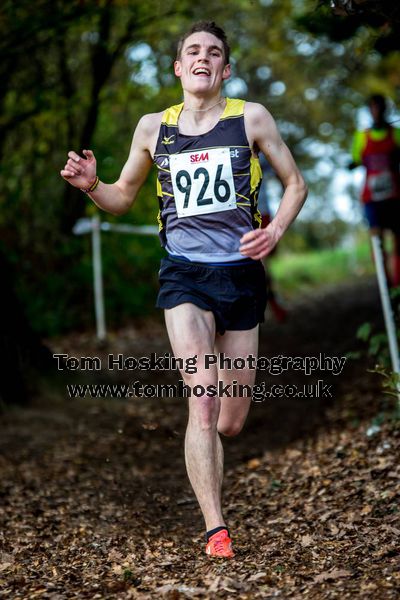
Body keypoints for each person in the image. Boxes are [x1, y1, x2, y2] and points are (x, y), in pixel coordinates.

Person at [60, 21, 307, 558]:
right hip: (184, 275)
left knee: (232, 420)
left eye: (213, 52)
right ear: (178, 68)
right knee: (203, 401)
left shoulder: (251, 118)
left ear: (225, 69)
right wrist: (92, 187)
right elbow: (122, 195)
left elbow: (296, 183)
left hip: (240, 277)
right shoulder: (153, 127)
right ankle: (216, 529)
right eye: (192, 51)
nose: (202, 58)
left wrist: (276, 231)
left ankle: (218, 459)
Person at [350, 94, 400, 286]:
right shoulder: (361, 136)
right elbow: (355, 159)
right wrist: (352, 164)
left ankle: (397, 282)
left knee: (397, 240)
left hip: (395, 196)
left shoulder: (396, 133)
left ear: (386, 108)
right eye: (372, 107)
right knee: (377, 240)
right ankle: (385, 281)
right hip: (372, 197)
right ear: (369, 110)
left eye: (379, 107)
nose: (376, 111)